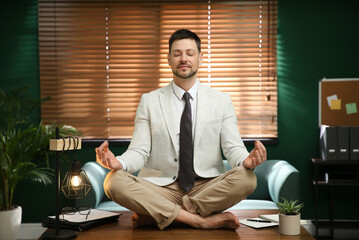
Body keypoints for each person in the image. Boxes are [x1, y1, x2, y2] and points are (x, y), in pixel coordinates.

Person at [96, 29, 267, 231]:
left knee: (247, 177)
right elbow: (140, 150)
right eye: (177, 54)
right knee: (113, 181)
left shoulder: (221, 100)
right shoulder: (149, 101)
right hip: (160, 187)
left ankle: (162, 215)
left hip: (207, 187)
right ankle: (199, 220)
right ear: (169, 59)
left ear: (200, 58)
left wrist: (245, 160)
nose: (183, 59)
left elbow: (232, 148)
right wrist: (120, 162)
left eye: (189, 53)